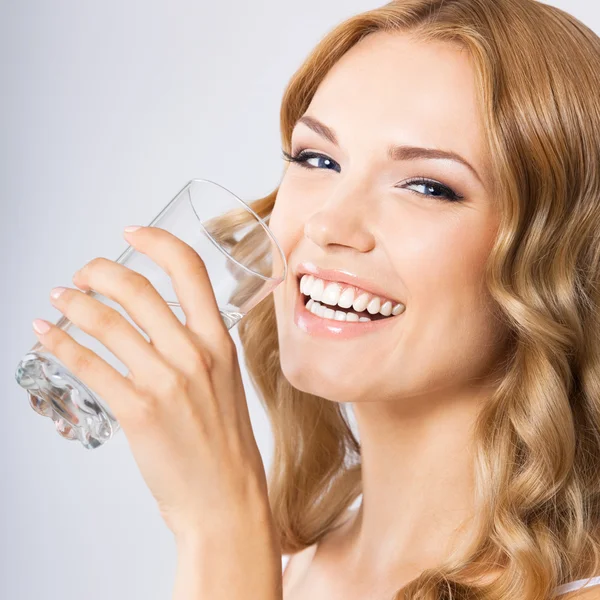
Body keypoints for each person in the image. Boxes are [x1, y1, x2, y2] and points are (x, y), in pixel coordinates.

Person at [235, 0, 600, 598]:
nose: (330, 224)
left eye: (429, 186)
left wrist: (221, 526)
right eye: (318, 159)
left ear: (556, 255)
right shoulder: (294, 563)